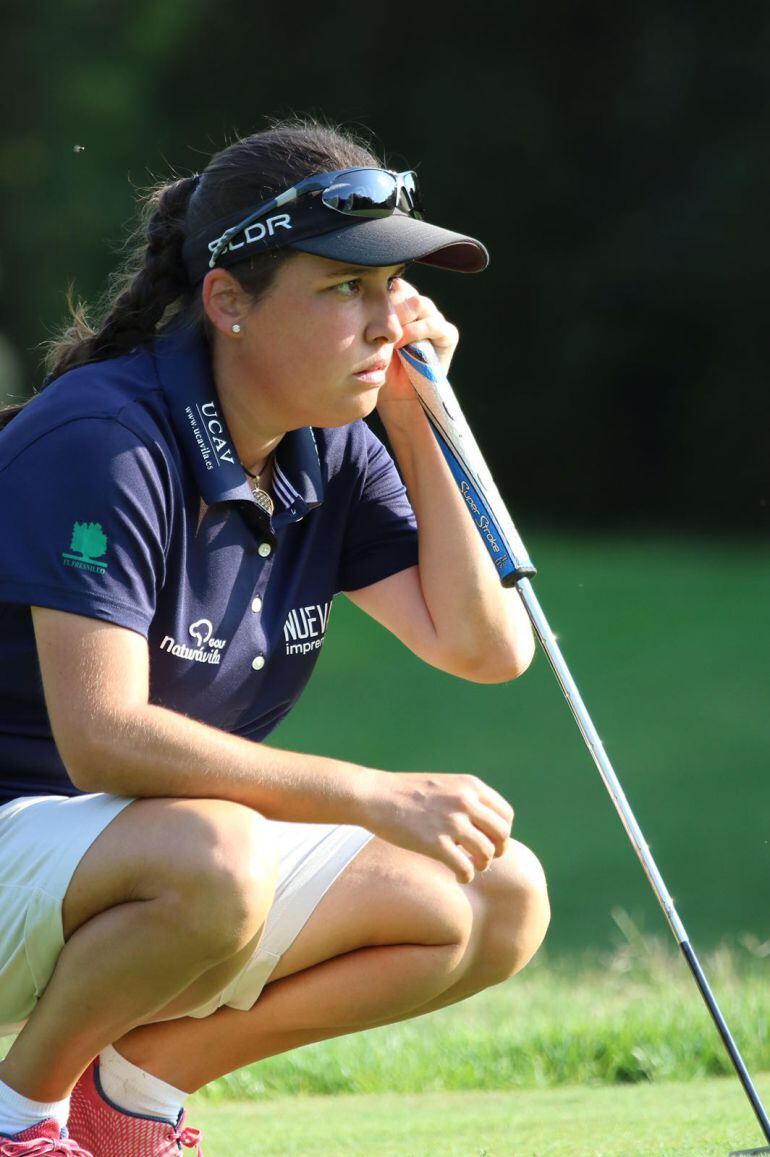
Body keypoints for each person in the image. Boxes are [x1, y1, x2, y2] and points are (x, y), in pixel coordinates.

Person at [0, 117, 550, 1157]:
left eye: (395, 288)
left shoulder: (326, 449)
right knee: (218, 852)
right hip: (34, 839)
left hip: (140, 865)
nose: (386, 320)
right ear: (227, 303)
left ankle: (126, 1094)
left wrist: (423, 417)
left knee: (494, 891)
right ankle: (16, 1113)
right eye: (345, 288)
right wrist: (368, 791)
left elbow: (486, 647)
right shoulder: (105, 439)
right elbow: (103, 739)